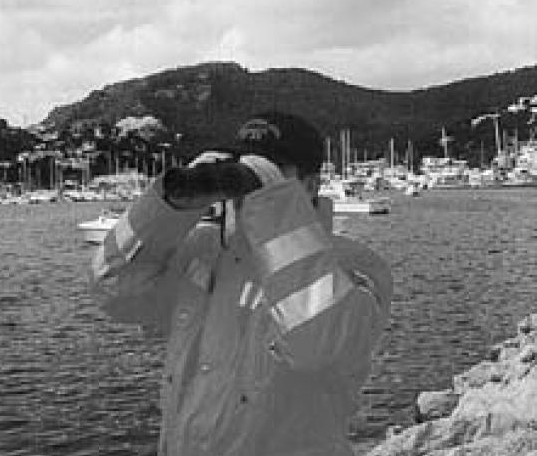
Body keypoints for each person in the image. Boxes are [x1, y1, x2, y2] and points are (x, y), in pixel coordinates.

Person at [89, 112, 393, 456]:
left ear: (310, 185)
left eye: (271, 167)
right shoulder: (201, 254)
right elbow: (112, 289)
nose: (245, 181)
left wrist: (272, 200)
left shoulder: (354, 265)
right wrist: (171, 206)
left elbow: (316, 345)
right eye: (241, 164)